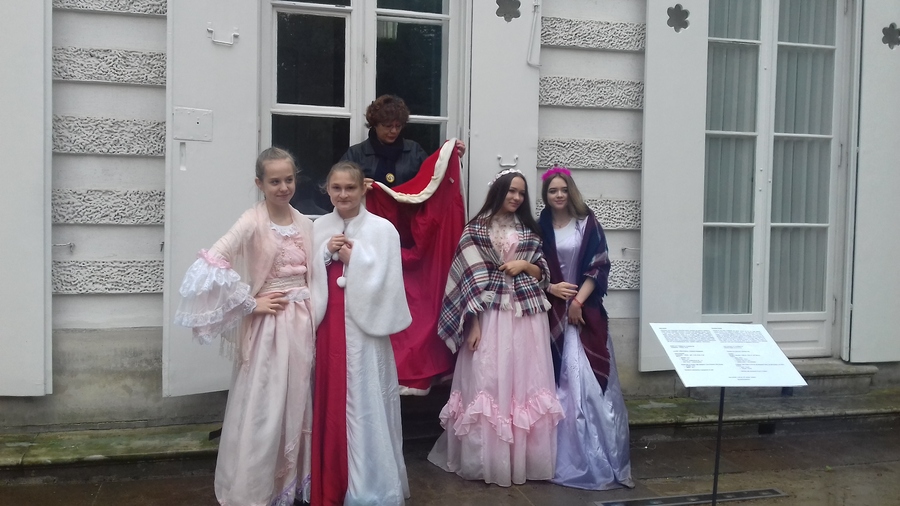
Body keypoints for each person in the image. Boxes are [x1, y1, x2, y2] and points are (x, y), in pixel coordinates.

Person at [174, 147, 318, 505]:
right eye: (274, 181)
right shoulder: (251, 221)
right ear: (259, 184)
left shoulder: (304, 222)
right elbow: (212, 261)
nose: (283, 187)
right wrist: (251, 304)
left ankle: (289, 485)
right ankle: (255, 489)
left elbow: (315, 273)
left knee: (297, 400)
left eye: (288, 180)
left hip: (302, 324)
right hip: (270, 329)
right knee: (264, 405)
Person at [427, 169, 564, 487]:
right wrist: (472, 325)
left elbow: (542, 272)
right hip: (490, 314)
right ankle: (487, 460)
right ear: (499, 191)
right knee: (489, 379)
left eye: (521, 193)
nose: (516, 197)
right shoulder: (476, 229)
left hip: (527, 315)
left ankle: (523, 460)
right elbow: (467, 279)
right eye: (511, 191)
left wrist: (524, 265)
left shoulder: (529, 229)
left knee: (525, 381)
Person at [309, 161, 412, 506]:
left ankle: (368, 486)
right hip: (329, 326)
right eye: (336, 188)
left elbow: (390, 280)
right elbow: (308, 274)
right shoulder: (319, 227)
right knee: (331, 398)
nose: (343, 195)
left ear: (363, 188)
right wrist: (325, 253)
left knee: (366, 399)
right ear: (327, 190)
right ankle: (331, 481)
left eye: (350, 188)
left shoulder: (384, 230)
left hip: (366, 330)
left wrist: (358, 260)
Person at [538, 166, 634, 490]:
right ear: (546, 195)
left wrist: (578, 301)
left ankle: (600, 460)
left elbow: (599, 264)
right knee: (558, 386)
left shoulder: (587, 223)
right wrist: (550, 288)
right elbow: (532, 268)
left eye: (563, 189)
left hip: (583, 314)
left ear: (571, 191)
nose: (559, 195)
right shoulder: (540, 226)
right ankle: (558, 459)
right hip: (551, 315)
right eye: (553, 190)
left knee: (589, 388)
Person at [340, 94, 465, 188]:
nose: (394, 131)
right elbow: (338, 185)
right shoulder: (356, 153)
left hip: (407, 214)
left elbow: (437, 179)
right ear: (375, 124)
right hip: (368, 215)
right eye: (388, 126)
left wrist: (454, 159)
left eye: (398, 126)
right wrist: (356, 186)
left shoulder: (414, 151)